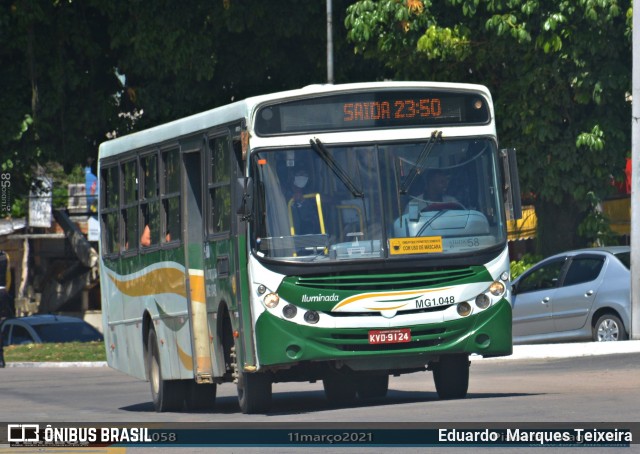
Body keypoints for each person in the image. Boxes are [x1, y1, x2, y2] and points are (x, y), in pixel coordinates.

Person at [287, 168, 322, 235]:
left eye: (305, 175)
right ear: (293, 176)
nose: (302, 177)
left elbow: (313, 217)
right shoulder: (284, 194)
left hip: (308, 234)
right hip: (290, 234)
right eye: (300, 174)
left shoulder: (310, 195)